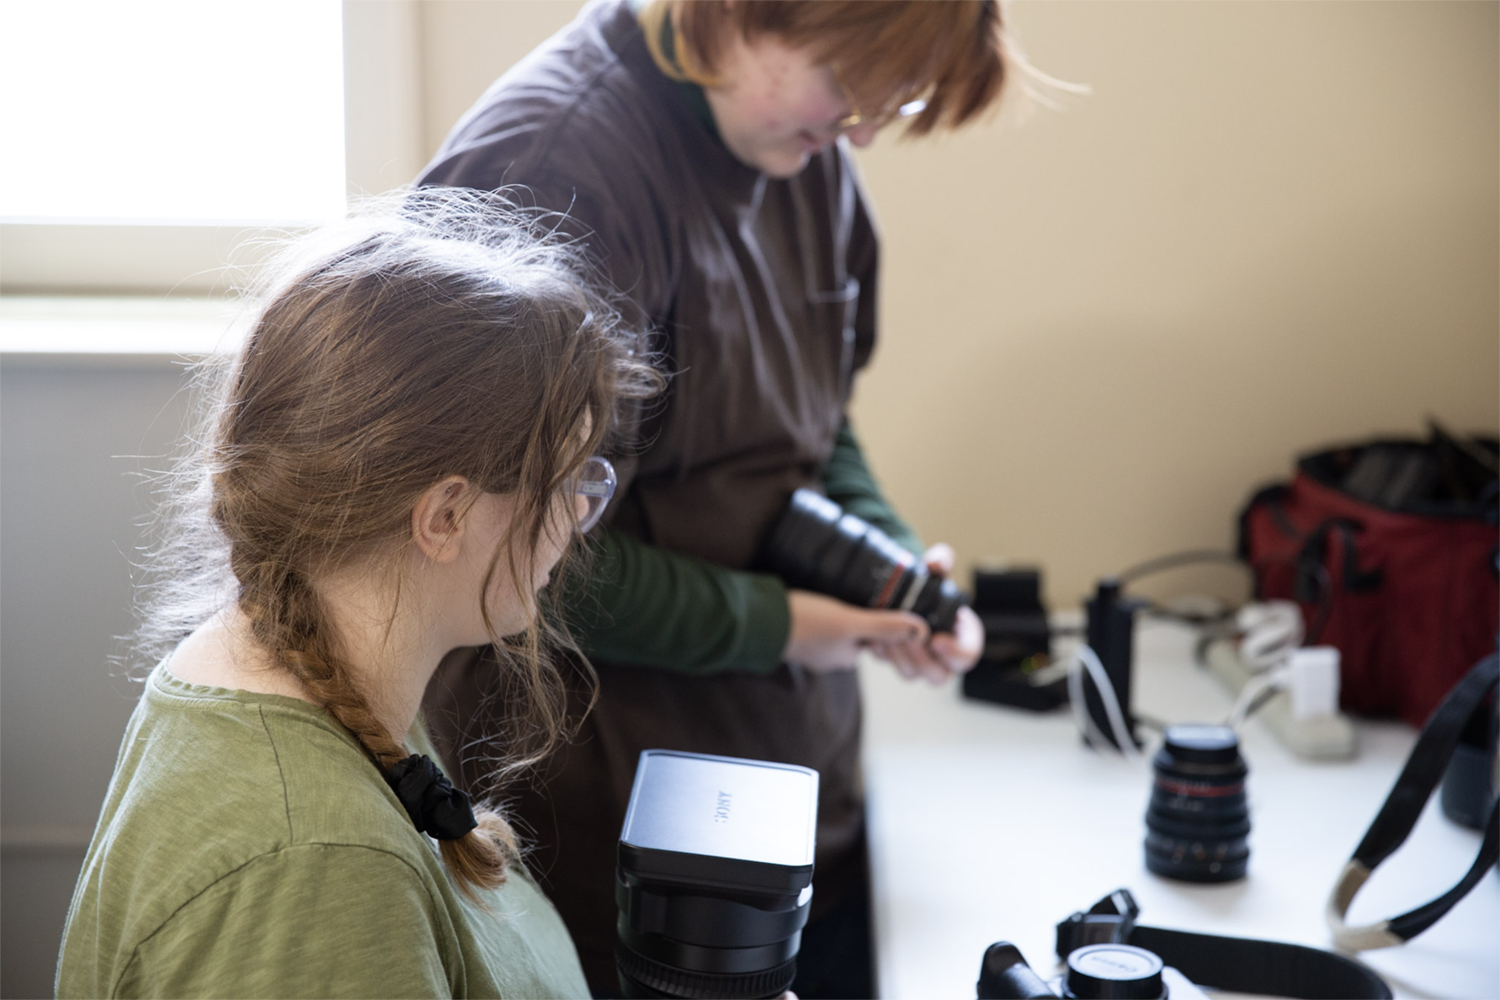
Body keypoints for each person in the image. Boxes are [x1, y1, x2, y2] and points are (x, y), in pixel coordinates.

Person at [418, 1, 1012, 996]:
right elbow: (506, 549)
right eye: (849, 80)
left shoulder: (805, 152)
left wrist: (888, 558)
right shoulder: (553, 173)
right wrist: (779, 623)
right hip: (618, 844)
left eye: (891, 98)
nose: (865, 128)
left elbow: (818, 427)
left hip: (791, 796)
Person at [54, 189, 661, 999]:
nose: (580, 517)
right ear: (445, 516)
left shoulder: (323, 670)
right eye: (565, 480)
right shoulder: (316, 865)